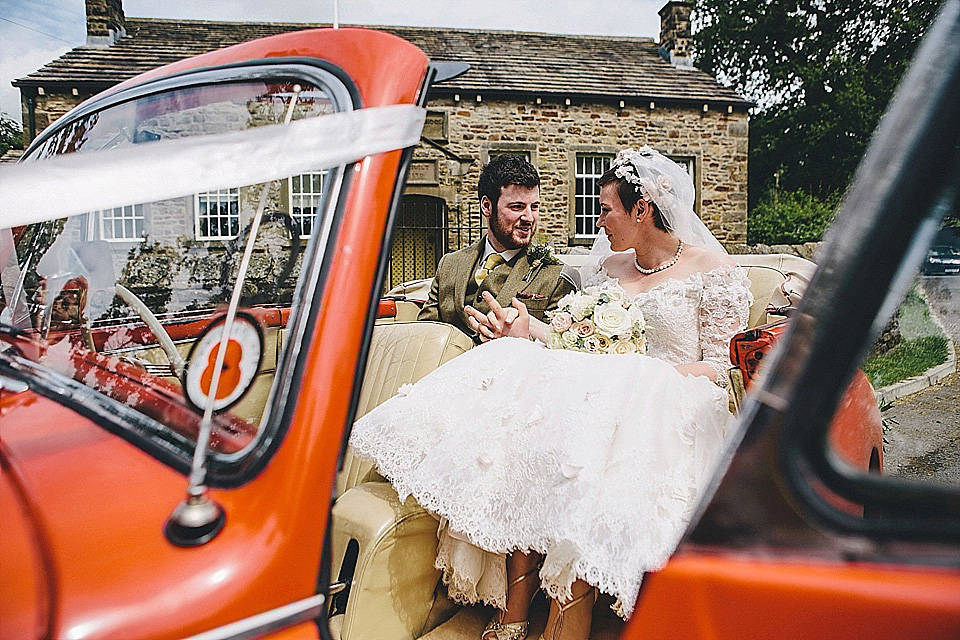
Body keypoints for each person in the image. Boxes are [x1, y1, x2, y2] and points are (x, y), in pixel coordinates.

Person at [350, 147, 752, 640]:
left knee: (586, 432)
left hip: (672, 395)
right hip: (599, 389)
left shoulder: (712, 269)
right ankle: (515, 610)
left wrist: (634, 370)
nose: (597, 219)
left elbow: (719, 364)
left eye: (605, 208)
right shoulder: (609, 268)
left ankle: (564, 617)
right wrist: (528, 330)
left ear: (641, 210)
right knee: (539, 408)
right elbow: (570, 335)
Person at [418, 154, 574, 340]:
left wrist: (515, 339)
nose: (529, 218)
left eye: (534, 207)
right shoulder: (449, 264)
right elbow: (424, 334)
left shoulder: (556, 276)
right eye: (517, 207)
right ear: (486, 206)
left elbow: (560, 350)